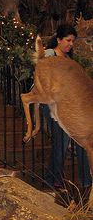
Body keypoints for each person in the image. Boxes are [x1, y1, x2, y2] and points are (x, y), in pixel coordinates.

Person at [43, 24, 92, 199]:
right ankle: (53, 179)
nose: (70, 44)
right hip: (54, 108)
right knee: (61, 144)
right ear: (58, 39)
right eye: (68, 40)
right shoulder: (49, 55)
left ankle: (86, 182)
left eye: (73, 41)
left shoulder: (69, 59)